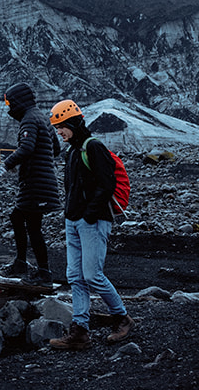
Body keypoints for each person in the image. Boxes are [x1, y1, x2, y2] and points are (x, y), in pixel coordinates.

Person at [47, 99, 134, 350]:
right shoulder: (73, 150)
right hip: (73, 221)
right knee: (75, 276)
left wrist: (89, 215)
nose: (59, 132)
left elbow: (106, 186)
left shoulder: (93, 147)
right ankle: (80, 331)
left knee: (92, 275)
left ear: (73, 123)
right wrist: (72, 216)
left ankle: (122, 318)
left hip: (92, 222)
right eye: (56, 128)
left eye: (61, 126)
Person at [0, 81, 60, 284]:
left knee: (32, 226)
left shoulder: (29, 119)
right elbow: (56, 149)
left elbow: (27, 148)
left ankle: (43, 272)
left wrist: (4, 166)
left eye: (10, 103)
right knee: (19, 217)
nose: (9, 107)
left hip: (35, 183)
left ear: (18, 101)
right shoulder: (41, 117)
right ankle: (22, 263)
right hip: (40, 181)